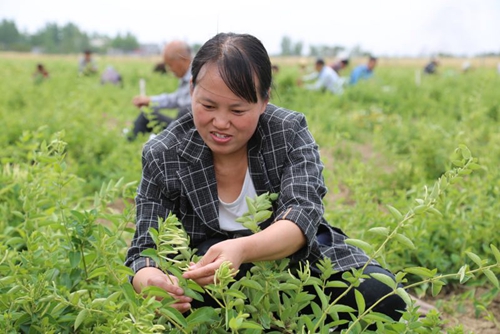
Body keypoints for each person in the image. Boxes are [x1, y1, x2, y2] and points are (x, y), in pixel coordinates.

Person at [125, 32, 406, 328]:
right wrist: (153, 283)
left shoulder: (287, 132)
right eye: (208, 106)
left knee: (381, 295)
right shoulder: (164, 153)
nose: (221, 122)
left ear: (264, 101)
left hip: (294, 267)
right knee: (188, 310)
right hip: (210, 279)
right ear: (192, 89)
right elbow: (144, 249)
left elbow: (302, 215)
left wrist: (242, 249)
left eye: (237, 110)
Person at [129, 40, 192, 139]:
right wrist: (150, 101)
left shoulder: (197, 77)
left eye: (170, 65)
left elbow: (187, 114)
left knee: (184, 111)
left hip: (188, 130)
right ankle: (129, 140)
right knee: (146, 115)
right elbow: (176, 99)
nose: (169, 69)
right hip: (179, 125)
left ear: (183, 60)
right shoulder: (185, 76)